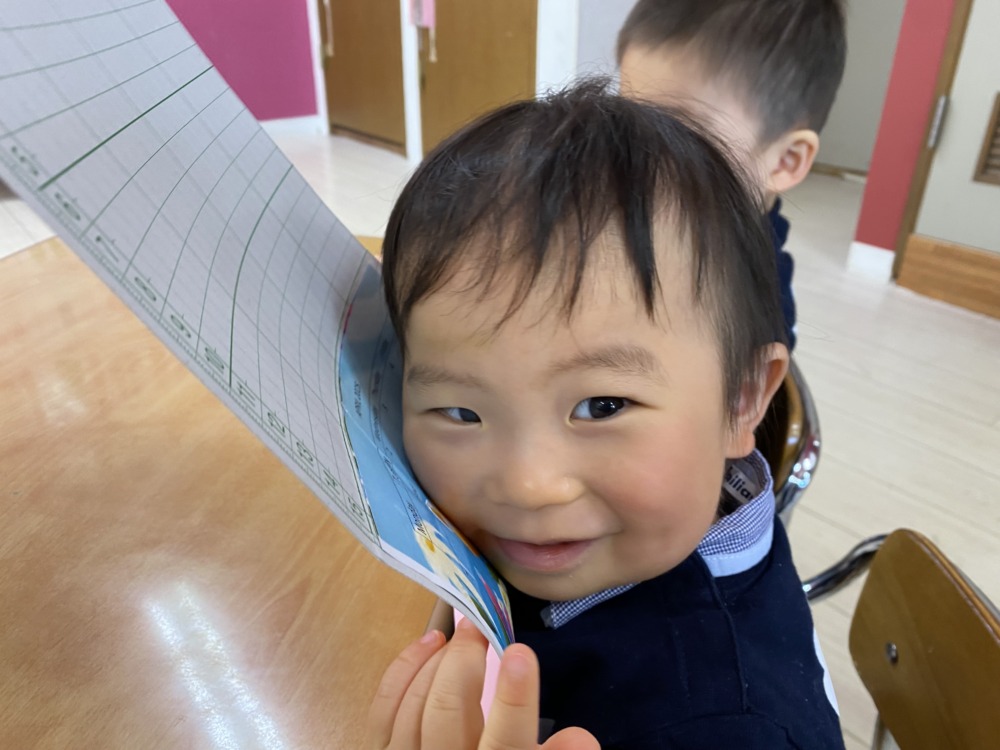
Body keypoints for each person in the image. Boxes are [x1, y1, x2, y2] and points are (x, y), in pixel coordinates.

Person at [368, 81, 844, 749]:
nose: (529, 485)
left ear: (740, 400)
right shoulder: (629, 540)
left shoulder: (725, 728)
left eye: (602, 406)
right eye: (460, 411)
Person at [617, 0, 848, 350]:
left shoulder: (759, 305)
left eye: (679, 133)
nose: (636, 152)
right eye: (626, 118)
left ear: (785, 162)